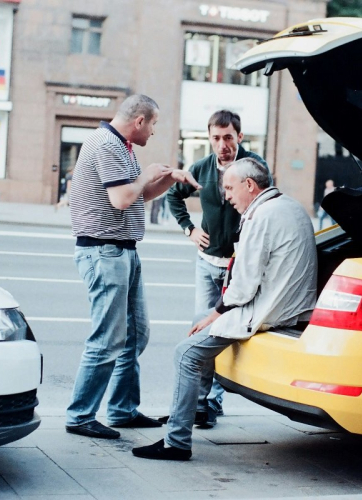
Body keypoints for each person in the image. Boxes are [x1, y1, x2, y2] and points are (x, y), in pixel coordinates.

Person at [133, 157, 318, 461]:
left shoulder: (262, 218)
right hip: (287, 306)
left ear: (250, 185)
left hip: (267, 311)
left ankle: (176, 441)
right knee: (198, 323)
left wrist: (215, 314)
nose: (227, 196)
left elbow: (243, 287)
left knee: (186, 353)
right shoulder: (290, 206)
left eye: (230, 188)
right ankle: (200, 407)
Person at [65, 94, 201, 440]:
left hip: (122, 251)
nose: (154, 131)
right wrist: (146, 174)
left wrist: (170, 178)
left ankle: (122, 410)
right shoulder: (106, 145)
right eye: (153, 123)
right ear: (139, 120)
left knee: (135, 334)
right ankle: (80, 415)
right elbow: (122, 198)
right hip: (104, 252)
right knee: (107, 338)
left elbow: (138, 194)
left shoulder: (120, 145)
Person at [166, 110, 269, 427]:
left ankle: (212, 401)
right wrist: (189, 230)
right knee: (202, 329)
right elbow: (173, 196)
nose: (222, 144)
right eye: (215, 138)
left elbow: (266, 206)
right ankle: (201, 404)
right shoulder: (201, 168)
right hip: (206, 264)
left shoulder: (254, 168)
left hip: (237, 269)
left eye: (227, 137)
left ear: (239, 136)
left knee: (224, 332)